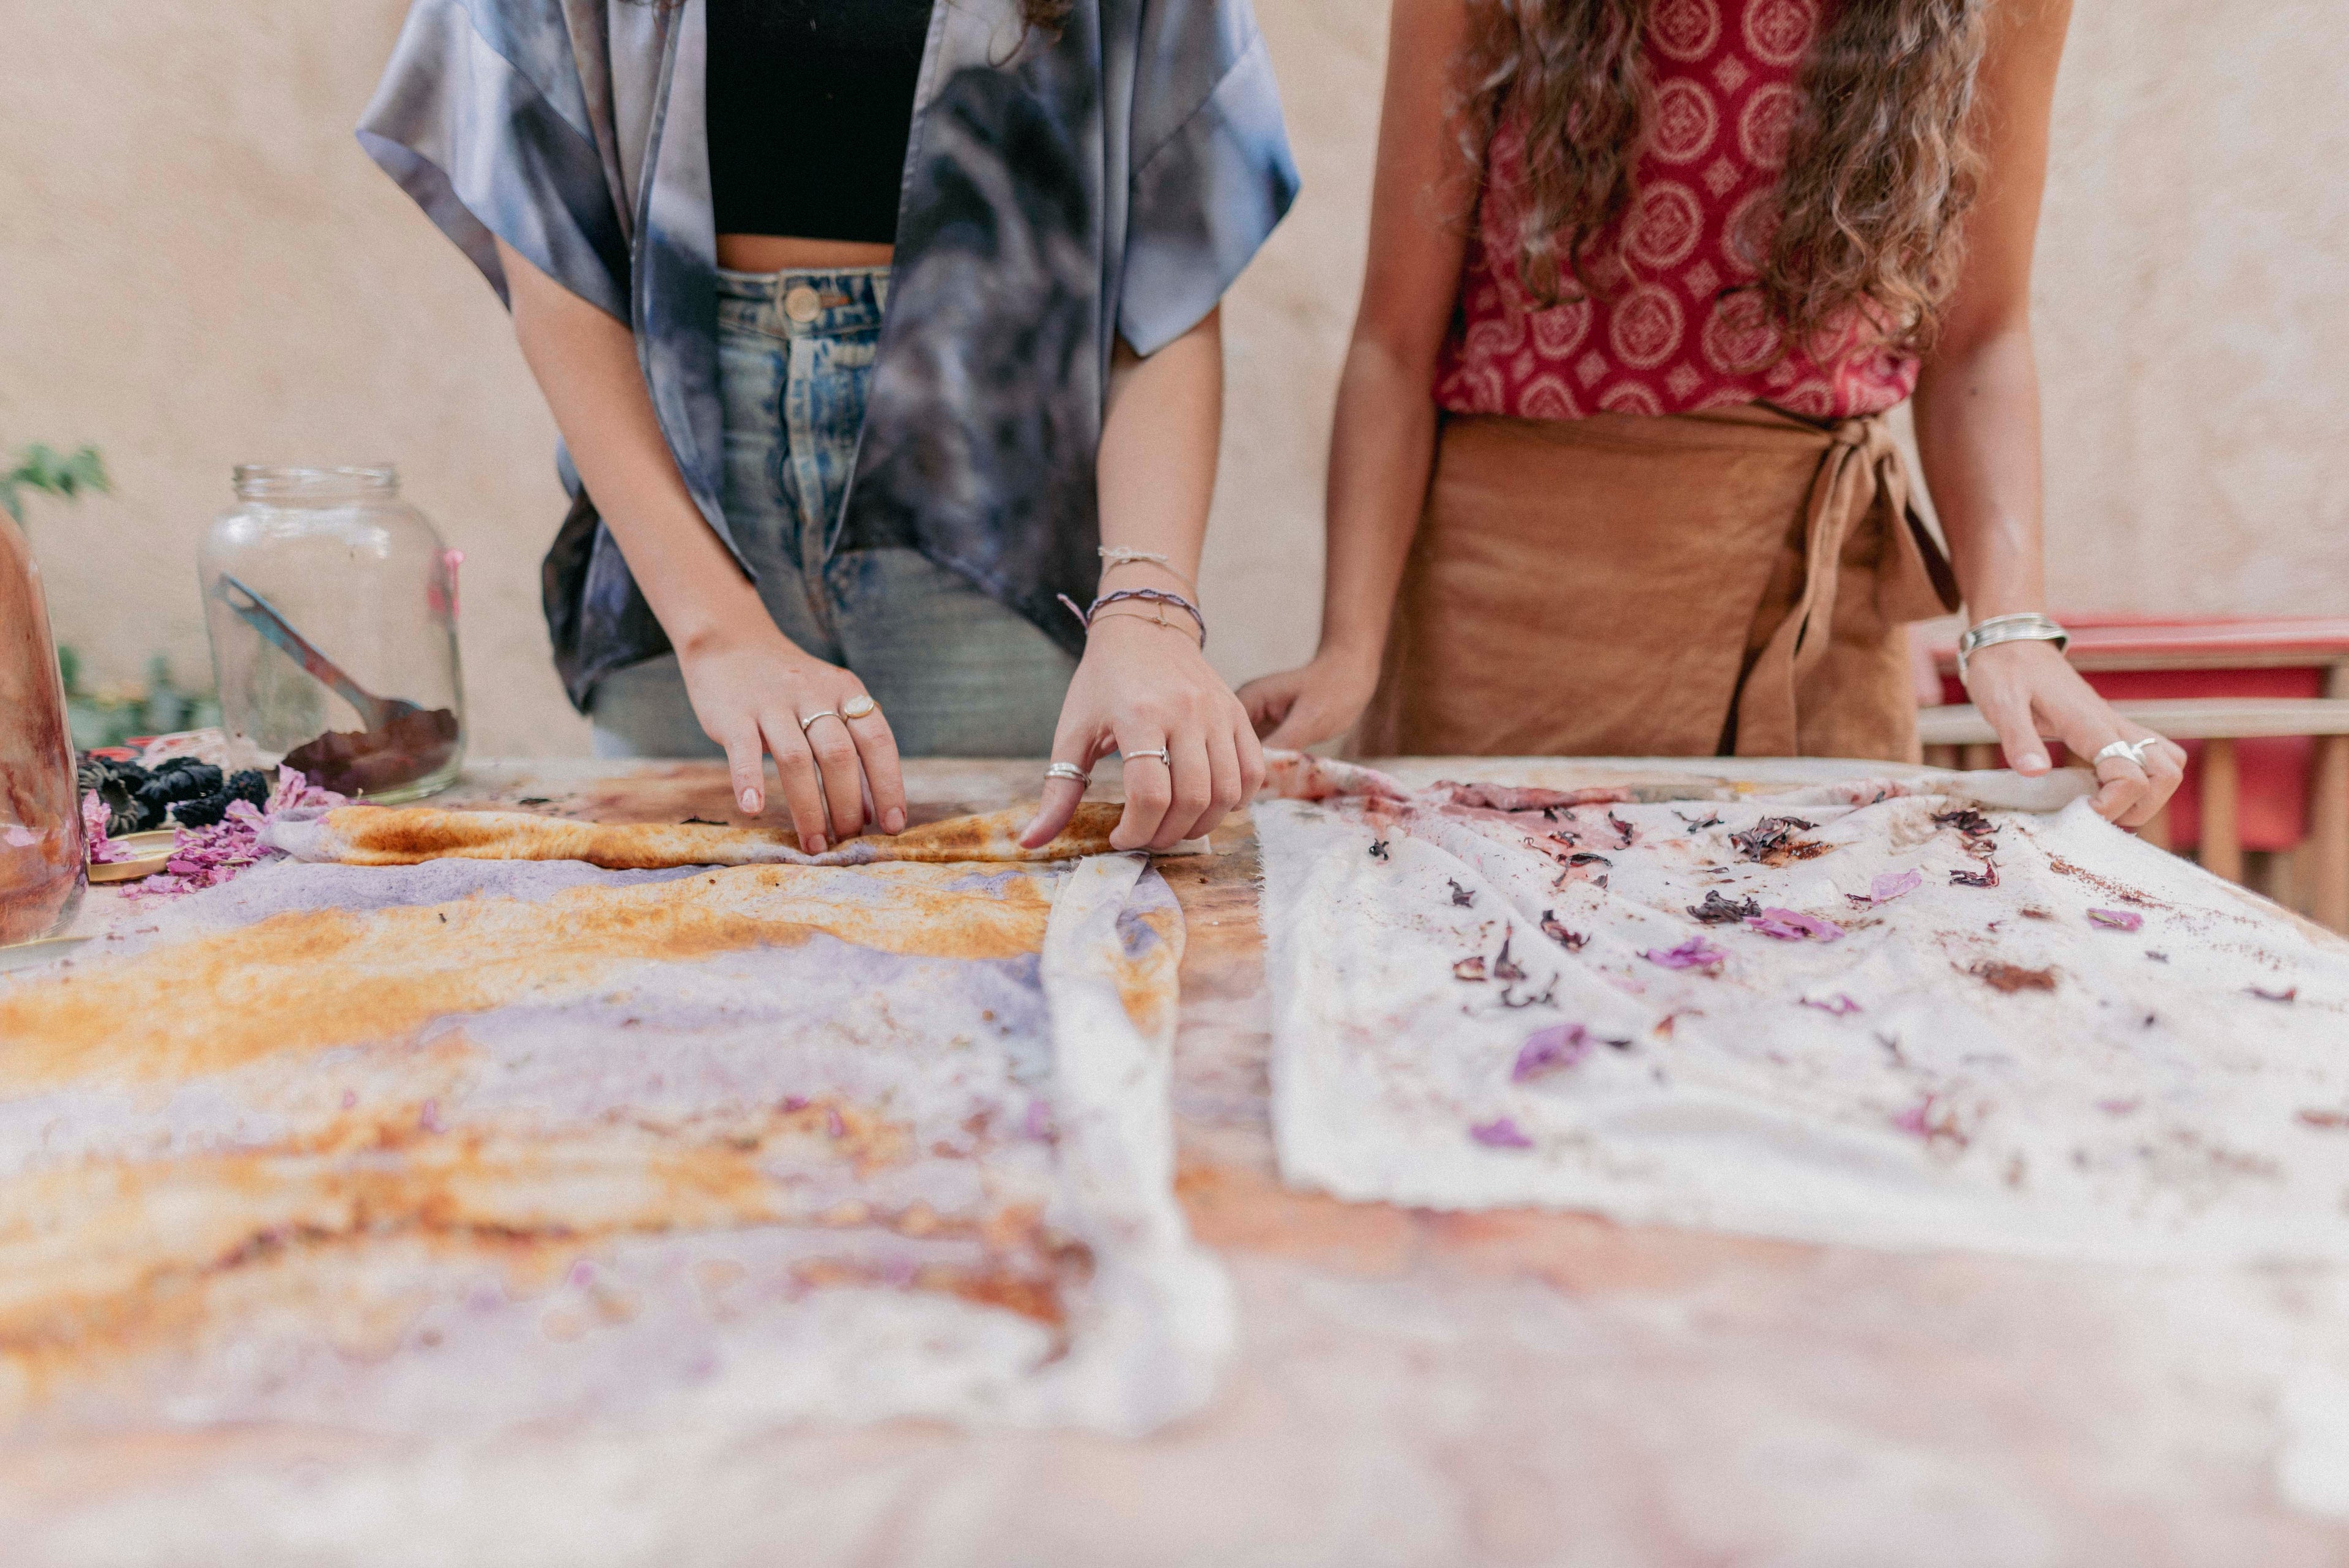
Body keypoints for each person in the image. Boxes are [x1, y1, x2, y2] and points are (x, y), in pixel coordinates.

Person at [360, 0, 1295, 853]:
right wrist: (716, 631)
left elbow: (1170, 280)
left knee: (1016, 955)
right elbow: (552, 261)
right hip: (677, 503)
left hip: (997, 509)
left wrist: (1147, 608)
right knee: (679, 962)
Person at [1239, 0, 2185, 827]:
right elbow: (1394, 347)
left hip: (1807, 623)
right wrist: (1348, 648)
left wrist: (2011, 625)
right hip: (1502, 624)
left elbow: (1977, 339)